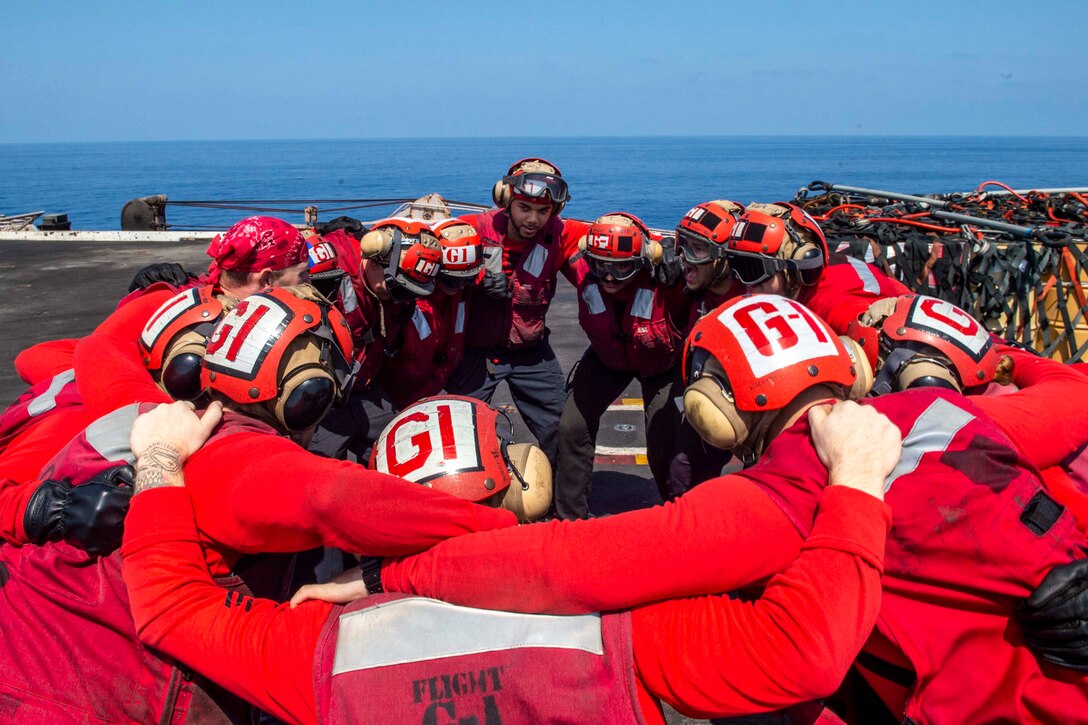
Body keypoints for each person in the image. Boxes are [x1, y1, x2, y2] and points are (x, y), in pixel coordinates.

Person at [374, 294, 1088, 723]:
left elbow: (567, 565)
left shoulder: (781, 495)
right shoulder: (939, 409)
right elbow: (1075, 394)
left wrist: (391, 578)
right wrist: (1002, 355)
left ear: (719, 406)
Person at [119, 396, 896, 725]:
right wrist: (856, 481)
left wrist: (158, 461)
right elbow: (804, 652)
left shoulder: (318, 649)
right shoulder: (614, 631)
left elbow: (166, 605)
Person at [0, 286, 518, 723]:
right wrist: (498, 525)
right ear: (306, 392)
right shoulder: (241, 457)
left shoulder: (134, 405)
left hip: (22, 643)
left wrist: (158, 293)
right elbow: (335, 500)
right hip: (84, 694)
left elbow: (101, 348)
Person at [449, 158, 590, 467]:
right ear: (506, 200)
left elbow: (610, 238)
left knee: (563, 429)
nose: (533, 220)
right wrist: (478, 281)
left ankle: (566, 508)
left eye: (543, 211)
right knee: (461, 432)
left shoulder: (560, 234)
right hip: (477, 353)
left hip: (531, 352)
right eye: (525, 208)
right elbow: (430, 252)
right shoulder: (472, 230)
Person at [554, 212, 692, 517]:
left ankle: (677, 515)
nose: (609, 276)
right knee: (572, 427)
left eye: (622, 267)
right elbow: (553, 227)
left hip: (661, 366)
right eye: (600, 264)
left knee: (663, 443)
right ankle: (569, 519)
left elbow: (712, 272)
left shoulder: (667, 279)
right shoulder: (582, 270)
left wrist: (672, 254)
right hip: (607, 359)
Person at [307, 217, 443, 461]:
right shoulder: (328, 269)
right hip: (322, 400)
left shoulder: (394, 293)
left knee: (402, 452)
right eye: (400, 288)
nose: (402, 298)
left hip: (364, 386)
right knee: (320, 475)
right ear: (375, 262)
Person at [724, 202, 909, 333]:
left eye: (752, 269)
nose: (743, 281)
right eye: (735, 265)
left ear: (797, 268)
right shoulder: (780, 291)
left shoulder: (835, 306)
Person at [376, 218, 484, 409]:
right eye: (451, 281)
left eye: (467, 280)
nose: (458, 287)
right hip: (398, 397)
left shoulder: (464, 288)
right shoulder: (406, 296)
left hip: (438, 388)